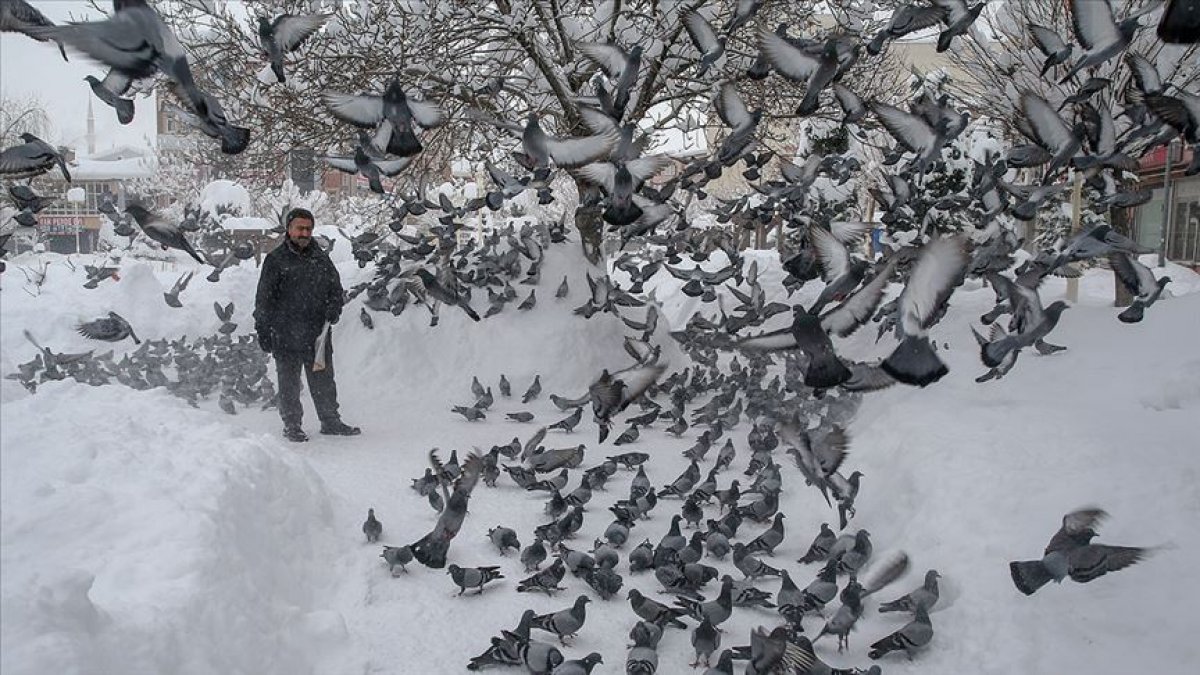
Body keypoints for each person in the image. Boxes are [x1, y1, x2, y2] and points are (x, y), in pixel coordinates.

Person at [254, 207, 360, 442]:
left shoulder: (321, 257)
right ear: (289, 229)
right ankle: (292, 425)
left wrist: (334, 308)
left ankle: (330, 420)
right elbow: (263, 299)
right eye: (300, 228)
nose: (304, 233)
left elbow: (335, 288)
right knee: (289, 382)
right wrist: (263, 329)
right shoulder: (276, 260)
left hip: (316, 333)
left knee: (323, 380)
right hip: (285, 333)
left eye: (308, 229)